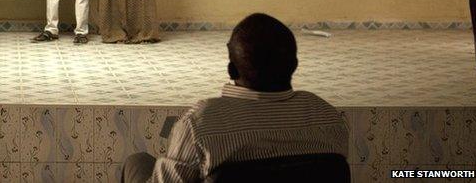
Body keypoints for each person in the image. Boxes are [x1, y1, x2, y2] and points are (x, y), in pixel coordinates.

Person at [121, 13, 350, 183]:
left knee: (137, 162)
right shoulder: (327, 118)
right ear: (294, 65)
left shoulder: (200, 124)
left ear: (231, 69)